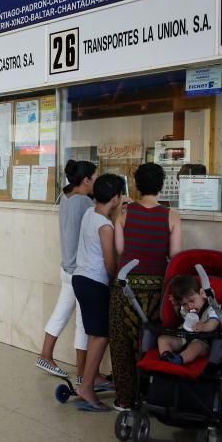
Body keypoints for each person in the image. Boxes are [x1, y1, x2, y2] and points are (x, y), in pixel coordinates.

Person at [108, 163, 183, 410]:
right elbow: (176, 255)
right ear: (162, 186)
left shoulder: (125, 213)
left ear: (137, 185)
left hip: (126, 285)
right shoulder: (171, 216)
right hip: (156, 288)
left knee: (122, 344)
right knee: (150, 340)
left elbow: (120, 250)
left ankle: (125, 400)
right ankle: (152, 396)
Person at [36, 160, 96, 384]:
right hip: (79, 270)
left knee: (61, 313)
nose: (96, 182)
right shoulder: (84, 202)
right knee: (83, 322)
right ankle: (82, 373)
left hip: (67, 268)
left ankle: (45, 355)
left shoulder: (66, 198)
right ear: (86, 180)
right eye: (95, 178)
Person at [71, 174, 124, 411]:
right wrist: (116, 282)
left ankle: (91, 380)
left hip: (81, 279)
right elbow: (110, 262)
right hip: (95, 283)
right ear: (116, 198)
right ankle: (86, 387)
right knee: (101, 336)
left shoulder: (90, 213)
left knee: (96, 334)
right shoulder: (106, 226)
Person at [158, 274, 219, 365]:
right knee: (162, 339)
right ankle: (167, 356)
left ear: (201, 293)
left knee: (196, 347)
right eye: (185, 304)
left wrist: (204, 326)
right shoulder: (185, 309)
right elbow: (179, 316)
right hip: (183, 338)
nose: (189, 306)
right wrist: (176, 306)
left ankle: (179, 360)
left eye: (192, 301)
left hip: (202, 341)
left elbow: (214, 322)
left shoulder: (211, 308)